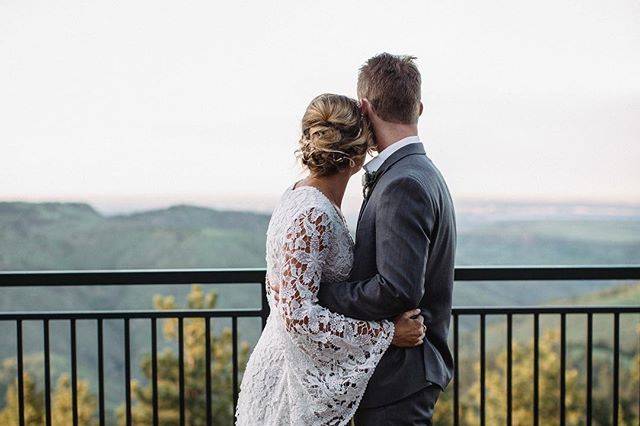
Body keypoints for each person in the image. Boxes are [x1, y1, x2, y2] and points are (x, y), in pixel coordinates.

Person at [235, 93, 426, 425]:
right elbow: (298, 316)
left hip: (293, 365)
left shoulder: (300, 195)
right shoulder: (313, 213)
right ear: (356, 155)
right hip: (289, 382)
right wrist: (386, 334)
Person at [316, 53, 457, 425]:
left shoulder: (403, 183)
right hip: (405, 377)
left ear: (364, 109)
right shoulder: (423, 172)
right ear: (419, 108)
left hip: (399, 379)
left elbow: (397, 289)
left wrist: (319, 297)